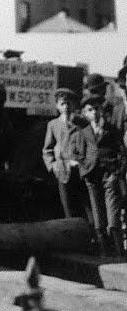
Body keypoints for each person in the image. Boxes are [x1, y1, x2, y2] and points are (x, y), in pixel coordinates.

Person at [71, 93, 125, 256]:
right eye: (90, 110)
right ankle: (103, 250)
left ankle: (118, 250)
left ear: (101, 110)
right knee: (97, 213)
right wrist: (85, 169)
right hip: (92, 175)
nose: (94, 112)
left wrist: (117, 171)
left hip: (109, 175)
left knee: (112, 213)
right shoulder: (83, 132)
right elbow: (77, 153)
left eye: (97, 109)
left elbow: (122, 151)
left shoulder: (111, 129)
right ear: (85, 113)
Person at [42, 88, 88, 220]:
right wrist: (53, 166)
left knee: (85, 206)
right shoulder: (53, 124)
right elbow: (47, 149)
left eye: (69, 103)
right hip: (62, 171)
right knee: (68, 208)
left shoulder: (82, 123)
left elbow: (89, 145)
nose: (66, 106)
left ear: (74, 105)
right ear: (57, 106)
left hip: (81, 171)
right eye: (62, 104)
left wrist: (83, 163)